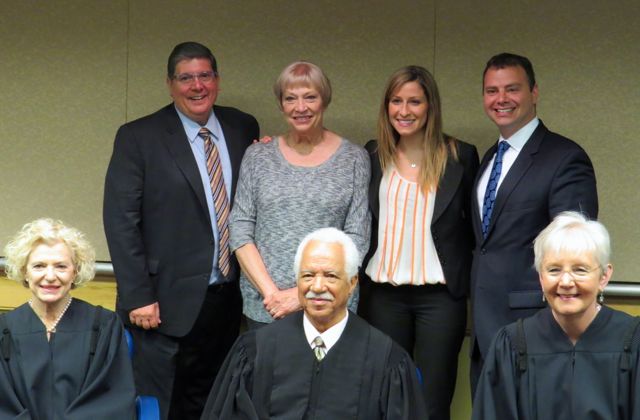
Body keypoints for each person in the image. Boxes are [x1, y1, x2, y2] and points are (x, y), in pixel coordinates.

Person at [103, 41, 259, 419]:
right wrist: (139, 295)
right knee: (160, 404)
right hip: (161, 304)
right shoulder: (138, 136)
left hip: (226, 299)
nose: (197, 86)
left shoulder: (242, 126)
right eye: (186, 78)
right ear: (170, 84)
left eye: (204, 75)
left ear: (217, 80)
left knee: (214, 401)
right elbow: (121, 219)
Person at [469, 52, 599, 392]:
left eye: (512, 89)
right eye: (491, 91)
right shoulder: (489, 159)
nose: (501, 99)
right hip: (485, 326)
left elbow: (575, 247)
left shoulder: (564, 158)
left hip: (536, 326)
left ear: (534, 93)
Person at [201, 227, 427, 419]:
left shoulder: (386, 360)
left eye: (331, 276)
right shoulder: (255, 351)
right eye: (308, 275)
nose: (317, 287)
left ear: (352, 283)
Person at [358, 65, 478, 420]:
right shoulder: (372, 154)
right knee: (384, 395)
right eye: (396, 101)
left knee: (431, 400)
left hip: (440, 300)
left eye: (414, 101)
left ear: (430, 106)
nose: (404, 110)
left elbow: (473, 228)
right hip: (382, 297)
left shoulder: (460, 156)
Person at [230, 61, 370, 328]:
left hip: (329, 306)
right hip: (266, 307)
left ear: (324, 101)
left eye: (310, 97)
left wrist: (300, 296)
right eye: (290, 98)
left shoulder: (354, 159)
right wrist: (272, 294)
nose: (300, 107)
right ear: (281, 105)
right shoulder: (257, 157)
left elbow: (357, 239)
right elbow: (240, 228)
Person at [472, 212, 640, 419]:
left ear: (604, 276)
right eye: (553, 270)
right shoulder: (513, 345)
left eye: (580, 270)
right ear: (540, 277)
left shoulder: (632, 341)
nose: (566, 282)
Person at [0, 218, 136, 419]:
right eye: (39, 266)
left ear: (75, 272)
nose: (50, 276)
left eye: (61, 266)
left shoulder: (104, 326)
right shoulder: (4, 329)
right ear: (24, 272)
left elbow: (111, 398)